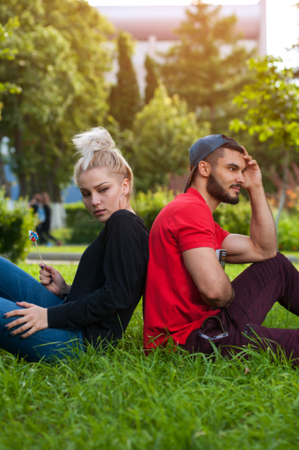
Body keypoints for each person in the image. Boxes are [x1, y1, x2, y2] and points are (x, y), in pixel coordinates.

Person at [143, 134, 299, 364]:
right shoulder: (188, 211)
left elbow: (264, 250)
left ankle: (236, 330)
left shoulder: (197, 213)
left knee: (275, 266)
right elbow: (215, 292)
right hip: (187, 342)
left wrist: (256, 187)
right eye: (232, 169)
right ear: (204, 168)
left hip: (207, 324)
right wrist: (230, 298)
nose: (240, 178)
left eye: (242, 171)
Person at [0, 127, 149, 362]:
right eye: (86, 193)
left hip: (79, 341)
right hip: (73, 321)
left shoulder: (124, 223)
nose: (94, 201)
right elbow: (112, 286)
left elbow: (115, 297)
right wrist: (65, 290)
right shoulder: (120, 224)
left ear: (125, 185)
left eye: (103, 189)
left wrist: (47, 317)